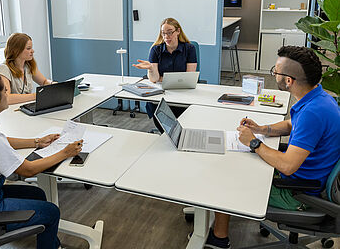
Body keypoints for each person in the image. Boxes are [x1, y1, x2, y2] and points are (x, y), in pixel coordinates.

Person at [204, 46, 340, 249]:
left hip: (300, 192)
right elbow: (292, 124)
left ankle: (220, 239)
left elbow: (287, 166)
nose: (274, 74)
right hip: (307, 177)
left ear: (288, 80)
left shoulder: (313, 112)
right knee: (237, 162)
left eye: (276, 71)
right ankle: (222, 220)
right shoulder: (319, 99)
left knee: (225, 176)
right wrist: (262, 129)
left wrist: (254, 142)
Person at [0, 68, 82, 249]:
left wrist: (36, 142)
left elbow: (0, 141)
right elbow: (28, 170)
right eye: (5, 92)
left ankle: (51, 244)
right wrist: (65, 152)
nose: (7, 95)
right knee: (51, 212)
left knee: (38, 194)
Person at [132, 18, 197, 131]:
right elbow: (154, 79)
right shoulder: (155, 50)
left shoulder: (189, 49)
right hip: (162, 94)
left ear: (178, 31)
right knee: (162, 119)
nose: (166, 36)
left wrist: (163, 78)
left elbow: (188, 77)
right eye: (163, 33)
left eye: (170, 32)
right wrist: (151, 69)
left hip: (183, 93)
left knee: (183, 121)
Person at [0, 33, 54, 105]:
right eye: (28, 48)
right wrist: (35, 96)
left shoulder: (28, 65)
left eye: (31, 48)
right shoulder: (4, 69)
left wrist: (53, 84)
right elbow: (6, 97)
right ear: (16, 50)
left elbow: (44, 82)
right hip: (12, 111)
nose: (32, 51)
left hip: (26, 106)